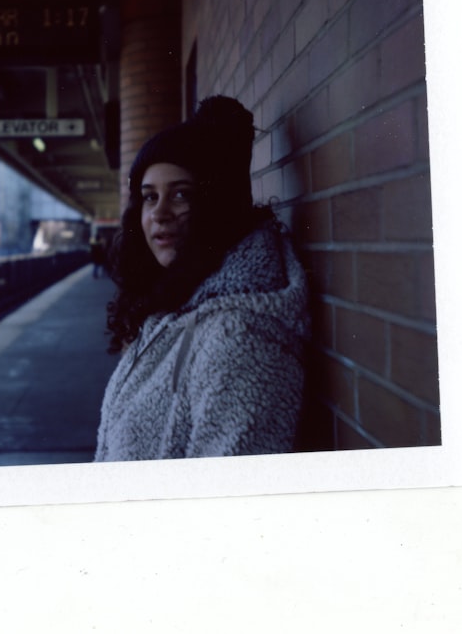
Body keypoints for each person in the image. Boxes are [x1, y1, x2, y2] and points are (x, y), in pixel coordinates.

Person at [95, 95, 310, 462]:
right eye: (149, 197)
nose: (159, 213)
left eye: (181, 194)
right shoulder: (172, 305)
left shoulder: (239, 337)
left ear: (216, 203)